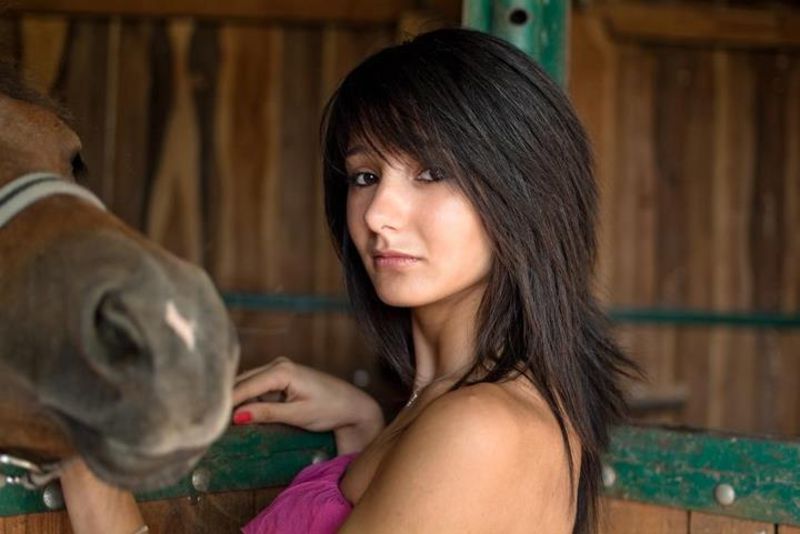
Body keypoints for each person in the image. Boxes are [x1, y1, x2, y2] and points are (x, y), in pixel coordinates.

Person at [60, 27, 638, 534]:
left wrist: (87, 466)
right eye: (364, 175)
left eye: (432, 172)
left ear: (525, 192)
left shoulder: (481, 427)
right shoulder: (453, 406)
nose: (378, 213)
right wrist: (364, 434)